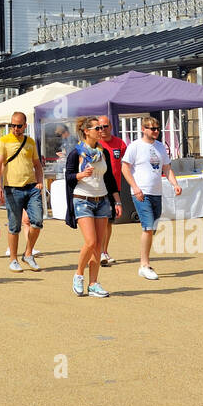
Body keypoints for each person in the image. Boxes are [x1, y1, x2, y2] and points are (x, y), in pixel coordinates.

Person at [64, 116, 122, 297]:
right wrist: (81, 175)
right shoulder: (76, 152)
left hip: (102, 200)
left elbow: (109, 178)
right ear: (86, 131)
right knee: (90, 242)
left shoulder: (102, 152)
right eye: (97, 128)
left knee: (98, 244)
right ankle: (79, 274)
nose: (101, 131)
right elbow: (68, 177)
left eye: (102, 128)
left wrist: (117, 200)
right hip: (83, 200)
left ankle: (94, 283)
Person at [122, 117, 180, 281]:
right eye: (152, 128)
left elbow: (166, 167)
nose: (155, 131)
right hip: (142, 192)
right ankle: (144, 264)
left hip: (157, 192)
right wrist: (135, 187)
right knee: (148, 227)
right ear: (143, 129)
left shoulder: (160, 147)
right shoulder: (135, 146)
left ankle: (144, 262)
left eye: (157, 128)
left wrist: (174, 183)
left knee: (152, 228)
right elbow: (125, 168)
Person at [0, 112, 45, 273]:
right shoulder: (3, 141)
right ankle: (13, 259)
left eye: (18, 125)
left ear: (25, 125)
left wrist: (40, 182)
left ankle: (28, 253)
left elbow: (37, 164)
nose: (15, 128)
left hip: (31, 187)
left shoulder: (30, 142)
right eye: (12, 125)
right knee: (14, 226)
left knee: (37, 221)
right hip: (12, 188)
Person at [95, 115, 128, 267]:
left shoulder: (119, 143)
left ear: (111, 127)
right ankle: (98, 251)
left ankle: (104, 251)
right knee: (100, 220)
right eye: (99, 127)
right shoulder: (95, 144)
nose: (102, 130)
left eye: (105, 126)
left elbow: (127, 162)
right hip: (98, 187)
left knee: (109, 221)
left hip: (114, 187)